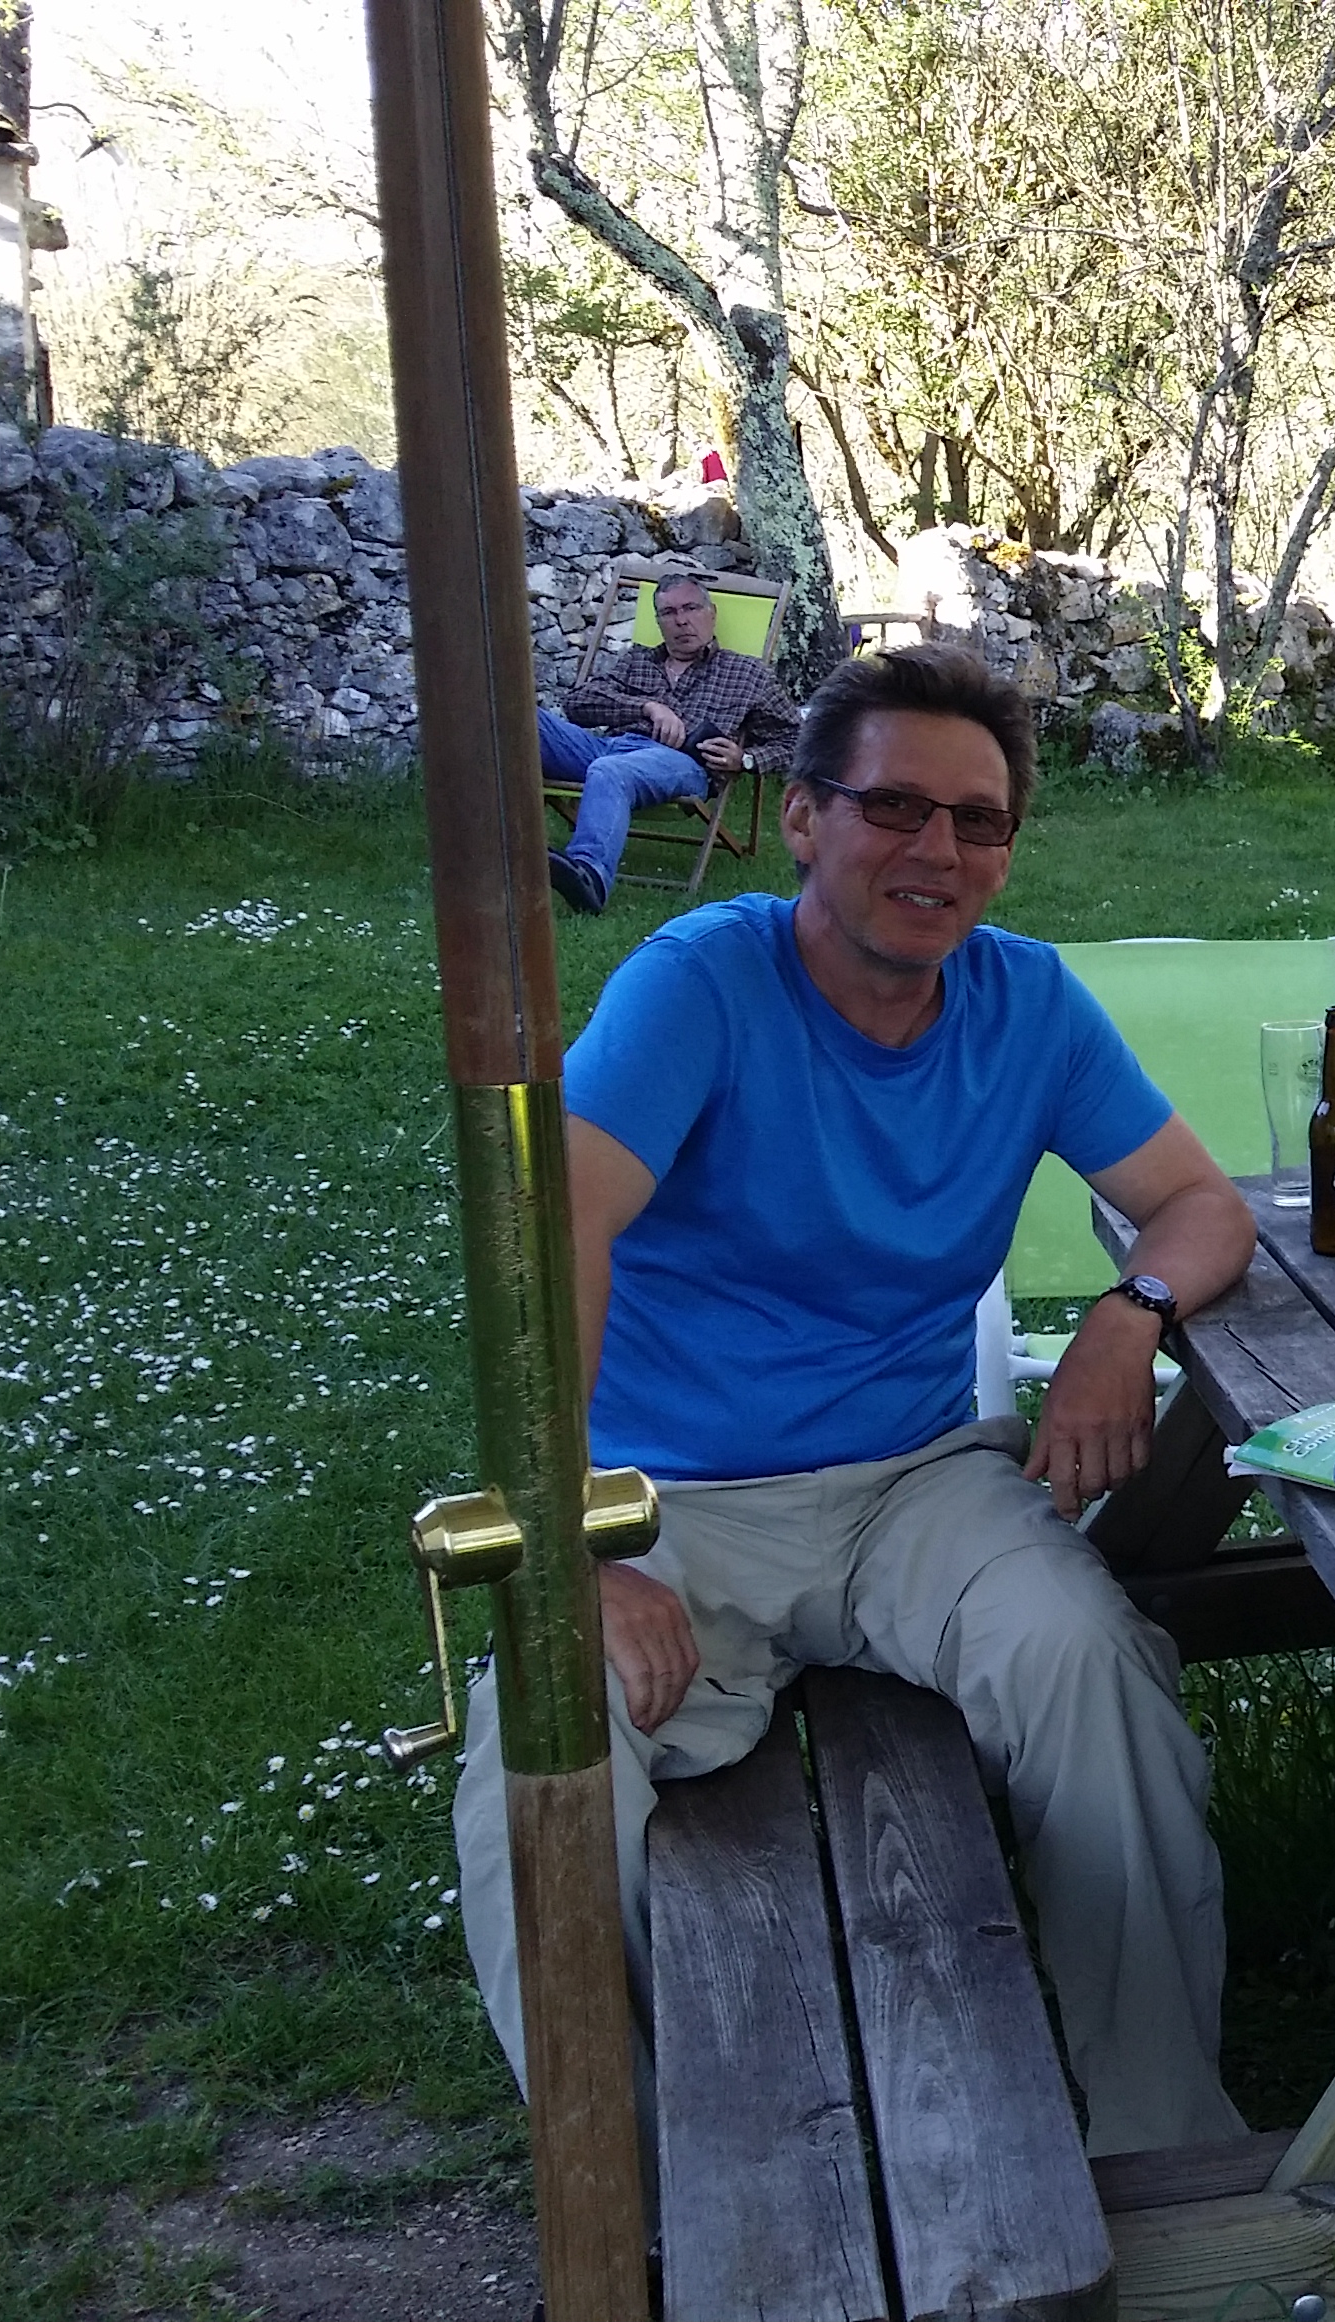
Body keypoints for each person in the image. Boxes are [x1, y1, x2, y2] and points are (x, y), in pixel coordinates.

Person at [453, 641, 1249, 2159]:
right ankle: (647, 2196)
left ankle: (1168, 2144)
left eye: (978, 821)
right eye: (894, 806)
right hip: (669, 1503)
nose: (937, 850)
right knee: (535, 1764)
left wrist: (1125, 1316)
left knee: (1091, 1665)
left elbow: (1201, 1204)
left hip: (914, 1481)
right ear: (807, 818)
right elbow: (557, 1233)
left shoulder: (1025, 1001)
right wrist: (573, 1545)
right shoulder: (703, 981)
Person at [541, 568, 798, 915]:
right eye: (669, 612)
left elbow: (797, 740)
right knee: (521, 719)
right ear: (659, 622)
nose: (681, 621)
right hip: (608, 746)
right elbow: (577, 704)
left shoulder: (748, 673)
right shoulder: (638, 661)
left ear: (712, 614)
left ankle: (588, 876)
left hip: (681, 763)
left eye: (691, 608)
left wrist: (746, 759)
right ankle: (487, 853)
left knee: (610, 771)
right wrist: (648, 707)